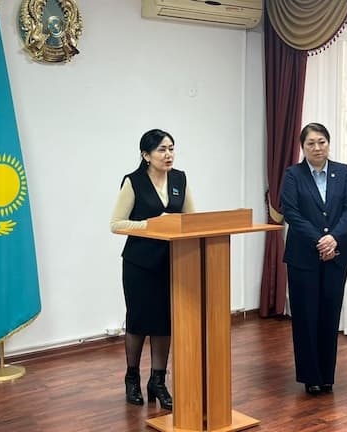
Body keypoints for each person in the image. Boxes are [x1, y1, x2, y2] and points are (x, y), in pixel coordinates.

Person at [110, 129, 195, 410]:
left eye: (171, 148)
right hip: (139, 264)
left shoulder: (180, 179)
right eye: (161, 150)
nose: (168, 154)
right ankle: (132, 378)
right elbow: (116, 224)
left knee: (164, 322)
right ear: (146, 155)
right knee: (139, 321)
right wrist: (153, 225)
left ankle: (158, 381)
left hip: (172, 262)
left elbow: (192, 219)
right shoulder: (133, 182)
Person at [280, 122, 347, 396]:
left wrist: (334, 238)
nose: (317, 148)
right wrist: (321, 240)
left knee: (329, 314)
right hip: (303, 257)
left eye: (321, 142)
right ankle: (310, 376)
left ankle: (327, 376)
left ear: (329, 143)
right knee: (306, 316)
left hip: (337, 255)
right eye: (310, 143)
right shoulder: (293, 175)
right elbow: (291, 212)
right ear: (303, 147)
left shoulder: (343, 172)